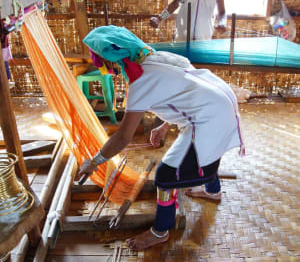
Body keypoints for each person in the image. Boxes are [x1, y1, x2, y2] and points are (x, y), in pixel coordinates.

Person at [79, 25, 244, 250]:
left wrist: (94, 162)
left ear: (113, 60)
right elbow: (186, 89)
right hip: (219, 101)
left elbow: (122, 138)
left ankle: (160, 231)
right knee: (204, 151)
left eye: (105, 65)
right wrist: (165, 126)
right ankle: (212, 192)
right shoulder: (155, 57)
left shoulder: (140, 82)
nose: (107, 70)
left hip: (208, 118)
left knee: (166, 176)